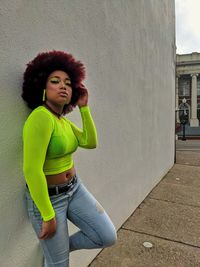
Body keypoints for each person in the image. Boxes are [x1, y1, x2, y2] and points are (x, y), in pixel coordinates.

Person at [22, 51, 117, 267]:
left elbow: (89, 141)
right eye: (55, 81)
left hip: (74, 189)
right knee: (59, 265)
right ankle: (56, 255)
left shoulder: (61, 120)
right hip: (49, 199)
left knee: (107, 235)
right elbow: (31, 170)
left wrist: (84, 108)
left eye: (67, 83)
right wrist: (47, 214)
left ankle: (58, 250)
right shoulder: (41, 117)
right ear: (42, 88)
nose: (63, 86)